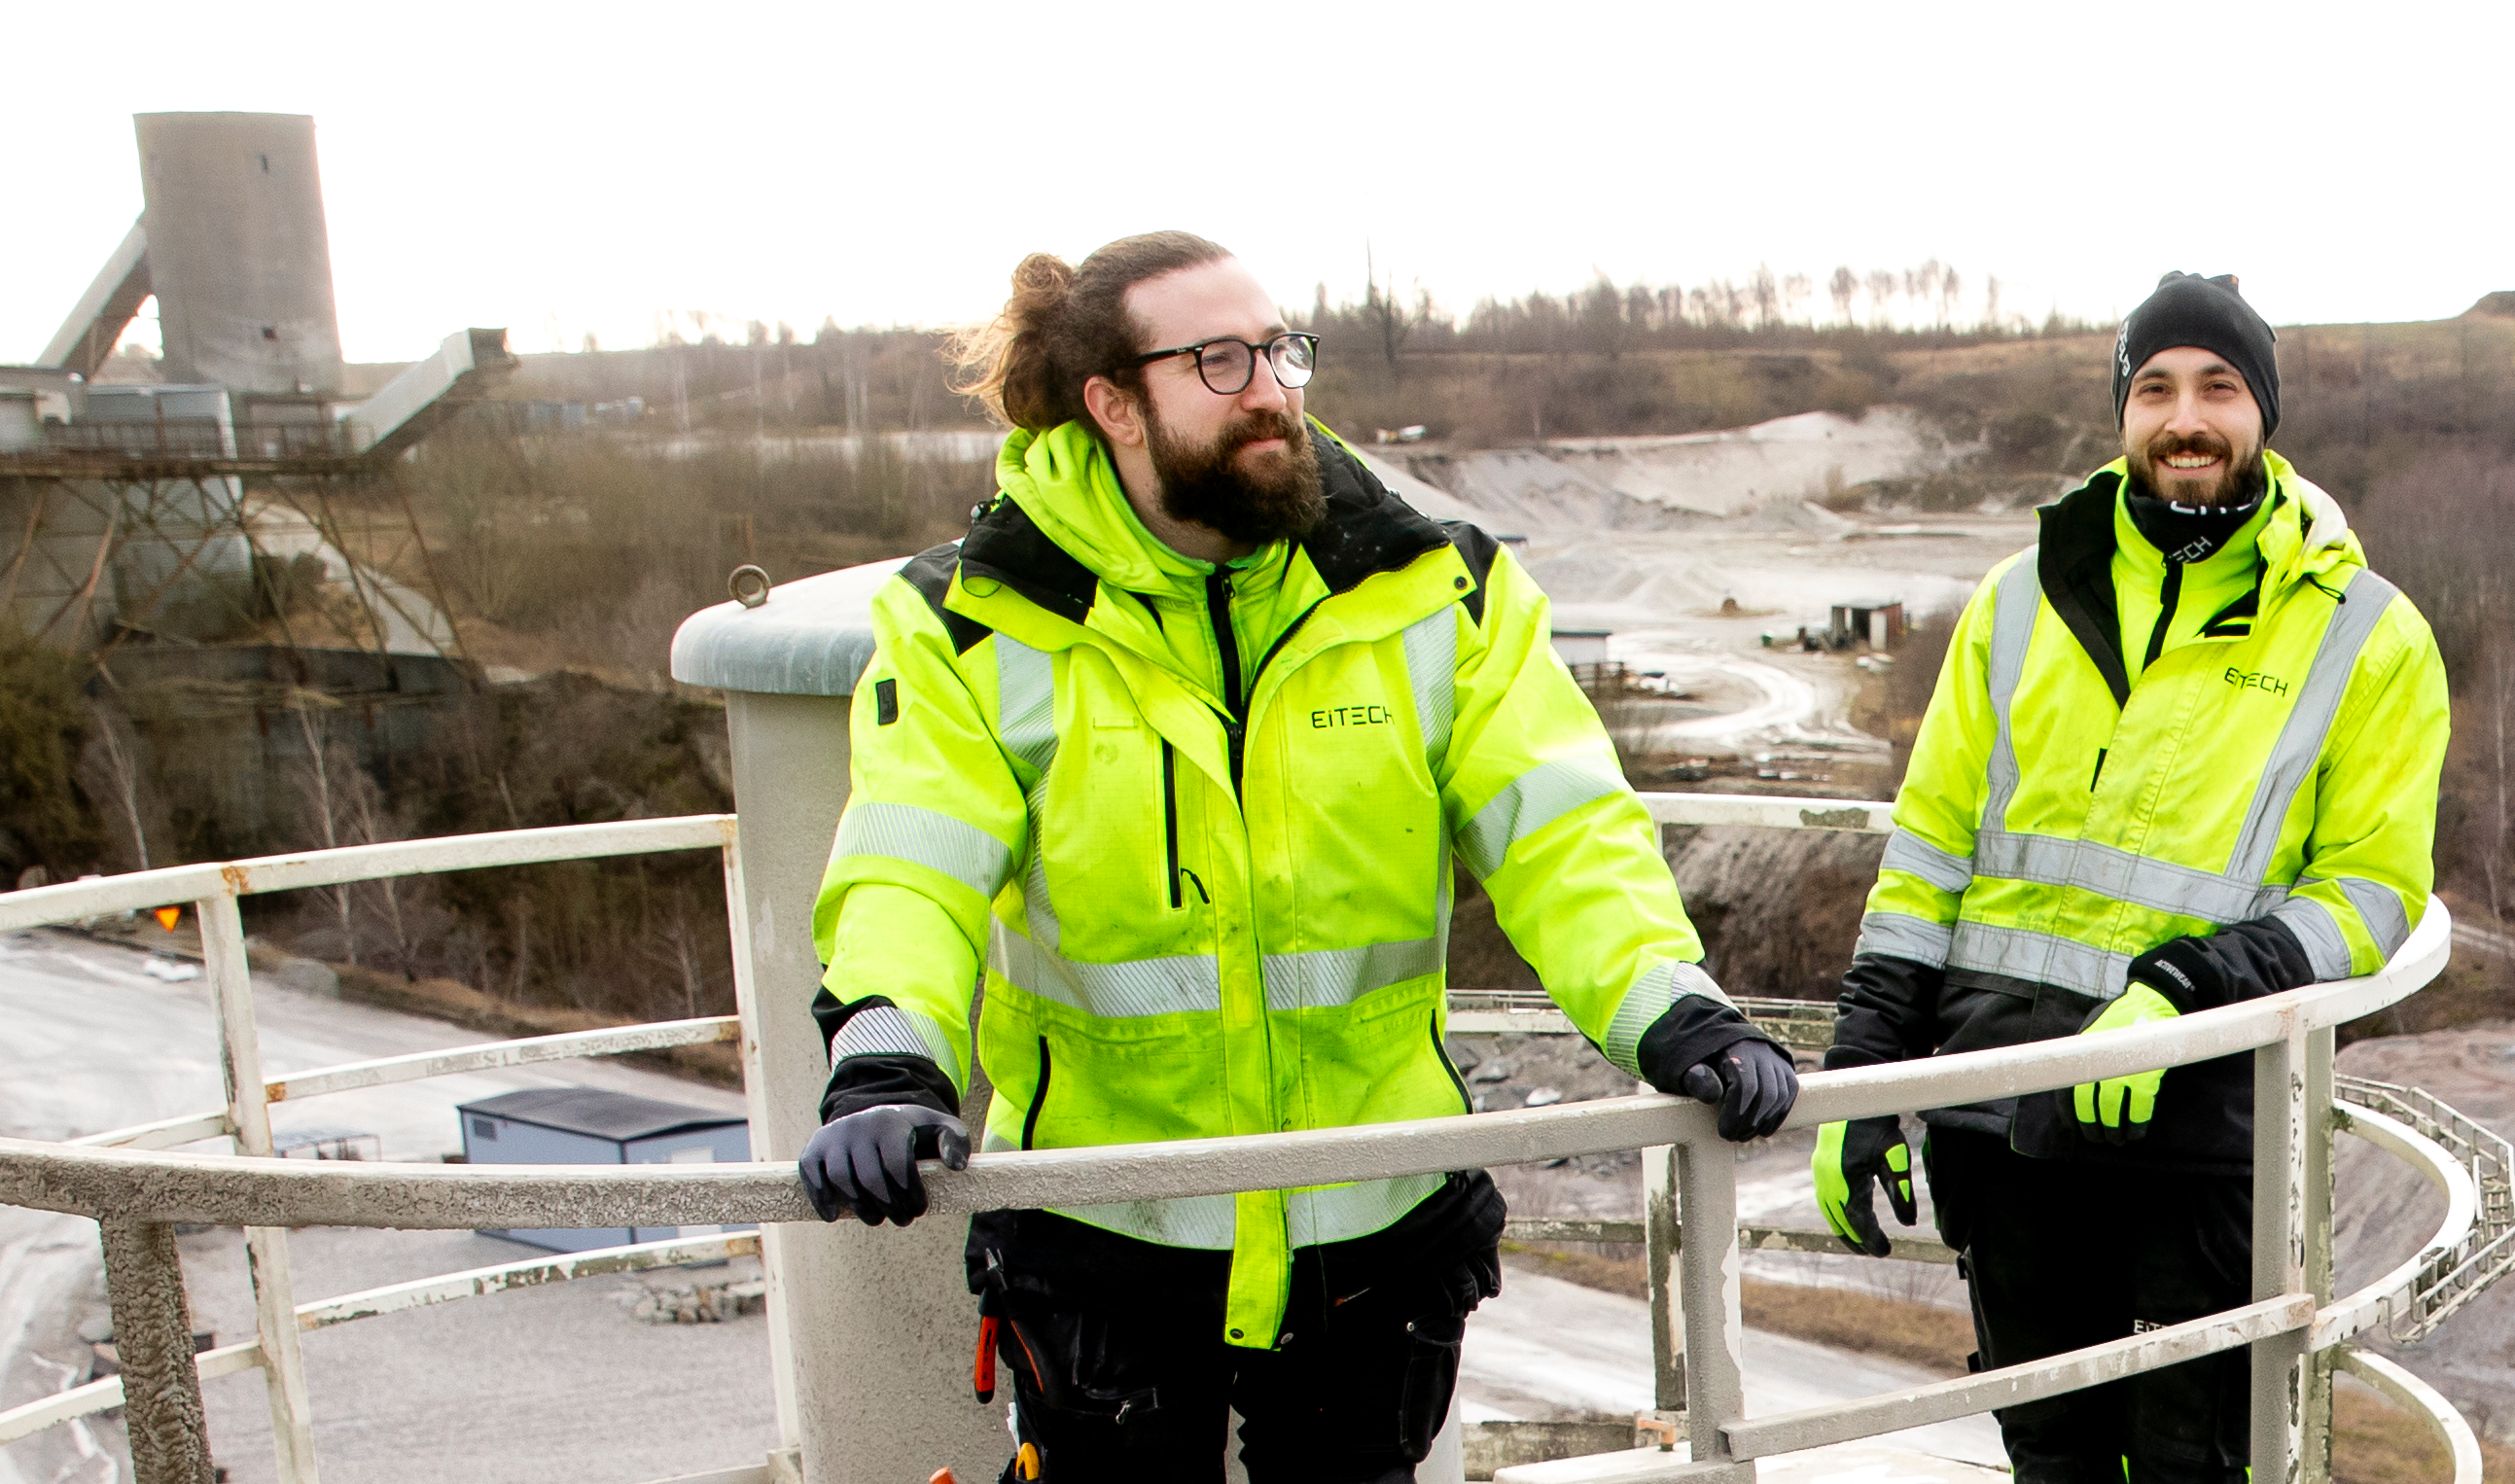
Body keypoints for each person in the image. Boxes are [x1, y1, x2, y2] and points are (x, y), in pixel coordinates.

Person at [792, 230, 1799, 1483]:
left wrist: (1674, 1006)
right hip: (1108, 1218)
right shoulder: (976, 617)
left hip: (1371, 1210)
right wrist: (887, 1055)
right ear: (1112, 404)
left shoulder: (1436, 586)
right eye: (1217, 360)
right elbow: (911, 864)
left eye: (1280, 348)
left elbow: (1563, 830)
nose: (1271, 386)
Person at [1812, 272, 2448, 1481]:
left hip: (2196, 1132)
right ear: (2120, 412)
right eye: (2154, 387)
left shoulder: (2368, 633)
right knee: (2047, 1451)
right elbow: (1930, 853)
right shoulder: (2017, 601)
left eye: (2218, 386)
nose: (2185, 416)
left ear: (2264, 411)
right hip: (2000, 1119)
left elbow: (2369, 892)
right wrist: (1859, 1081)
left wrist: (2187, 990)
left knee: (2186, 1462)